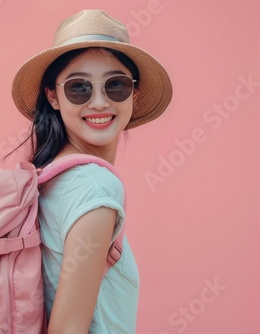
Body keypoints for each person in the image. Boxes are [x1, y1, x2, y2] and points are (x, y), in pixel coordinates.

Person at [11, 10, 172, 333]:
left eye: (116, 85)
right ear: (53, 96)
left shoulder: (47, 179)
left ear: (134, 95)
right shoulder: (95, 187)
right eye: (79, 87)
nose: (99, 102)